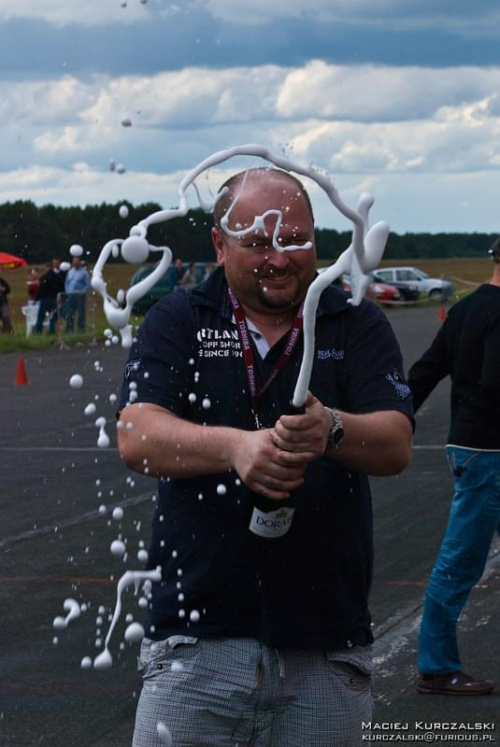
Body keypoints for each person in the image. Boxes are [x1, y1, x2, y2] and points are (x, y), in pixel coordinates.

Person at [117, 168, 413, 747]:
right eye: (257, 243)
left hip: (324, 647)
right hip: (194, 646)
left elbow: (396, 441)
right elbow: (136, 434)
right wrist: (236, 447)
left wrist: (331, 428)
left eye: (296, 239)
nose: (280, 257)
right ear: (219, 245)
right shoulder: (180, 319)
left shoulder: (355, 321)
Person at [408, 239, 500, 696]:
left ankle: (438, 664)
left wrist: (395, 422)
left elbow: (424, 373)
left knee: (460, 561)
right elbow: (494, 381)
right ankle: (437, 667)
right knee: (460, 562)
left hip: (470, 448)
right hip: (490, 455)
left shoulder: (465, 311)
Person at [35, 258, 65, 334]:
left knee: (41, 316)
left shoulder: (45, 276)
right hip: (54, 298)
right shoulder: (59, 277)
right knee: (53, 316)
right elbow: (61, 288)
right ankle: (51, 330)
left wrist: (38, 297)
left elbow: (40, 288)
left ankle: (38, 331)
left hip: (45, 298)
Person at [64, 256, 91, 332]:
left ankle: (81, 328)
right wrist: (67, 291)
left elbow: (88, 285)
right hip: (70, 295)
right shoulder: (70, 272)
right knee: (70, 312)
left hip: (80, 296)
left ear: (79, 262)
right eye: (74, 262)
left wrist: (81, 293)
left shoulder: (84, 273)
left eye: (77, 262)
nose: (75, 263)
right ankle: (69, 328)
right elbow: (67, 283)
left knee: (81, 312)